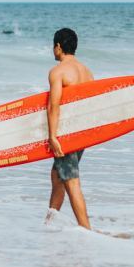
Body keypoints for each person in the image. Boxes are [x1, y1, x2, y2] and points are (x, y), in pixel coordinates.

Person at [45, 27, 94, 230]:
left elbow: (53, 105)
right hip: (82, 132)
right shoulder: (87, 71)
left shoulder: (58, 72)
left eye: (53, 46)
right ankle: (49, 223)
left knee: (71, 180)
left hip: (65, 133)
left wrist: (52, 136)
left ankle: (86, 230)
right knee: (58, 176)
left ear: (58, 46)